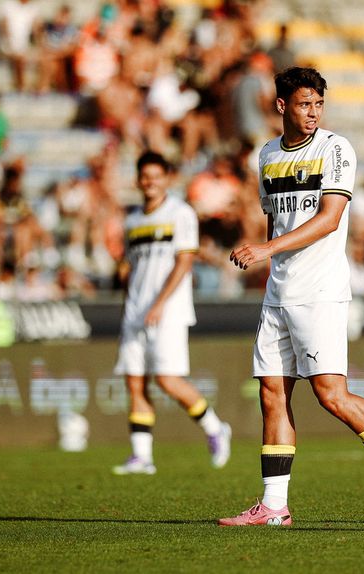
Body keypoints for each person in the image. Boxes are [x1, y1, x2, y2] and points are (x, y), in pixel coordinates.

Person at [221, 67, 364, 527]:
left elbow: (330, 218)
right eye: (303, 104)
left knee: (331, 396)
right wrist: (267, 252)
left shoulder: (335, 149)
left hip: (320, 290)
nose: (312, 112)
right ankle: (274, 507)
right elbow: (280, 219)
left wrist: (266, 249)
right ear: (281, 106)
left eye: (318, 104)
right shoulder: (268, 154)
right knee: (272, 392)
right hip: (279, 290)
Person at [113, 150, 231, 476]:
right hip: (136, 311)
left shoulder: (180, 213)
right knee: (135, 382)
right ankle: (142, 457)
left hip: (169, 310)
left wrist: (161, 302)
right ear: (138, 179)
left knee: (167, 379)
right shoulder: (133, 219)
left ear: (167, 177)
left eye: (156, 175)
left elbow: (185, 261)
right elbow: (131, 266)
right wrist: (131, 302)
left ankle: (215, 428)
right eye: (144, 175)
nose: (149, 181)